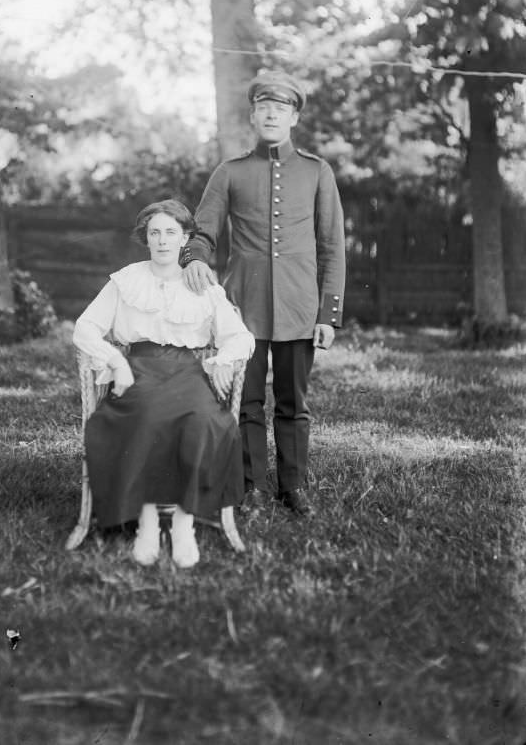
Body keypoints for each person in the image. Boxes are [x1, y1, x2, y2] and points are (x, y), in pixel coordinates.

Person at [181, 71, 346, 518]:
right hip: (243, 308)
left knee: (293, 404)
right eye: (263, 106)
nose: (272, 113)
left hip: (299, 307)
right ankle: (251, 486)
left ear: (294, 116)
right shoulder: (230, 171)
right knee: (247, 401)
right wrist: (194, 257)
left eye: (281, 107)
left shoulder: (316, 171)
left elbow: (332, 244)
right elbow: (204, 227)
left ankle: (293, 487)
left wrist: (327, 314)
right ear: (253, 114)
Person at [73, 199, 254, 569]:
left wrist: (221, 361)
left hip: (189, 373)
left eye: (171, 232)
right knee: (147, 416)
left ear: (185, 237)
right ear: (146, 238)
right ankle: (149, 521)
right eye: (154, 232)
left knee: (204, 420)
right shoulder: (127, 280)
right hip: (139, 369)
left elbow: (241, 337)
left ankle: (184, 523)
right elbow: (84, 328)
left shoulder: (202, 283)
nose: (162, 240)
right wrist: (116, 362)